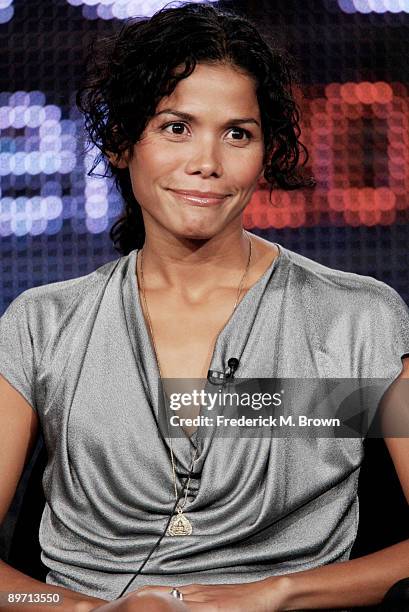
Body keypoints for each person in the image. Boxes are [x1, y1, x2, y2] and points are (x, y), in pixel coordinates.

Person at [0, 2, 409, 611]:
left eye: (237, 133)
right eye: (176, 127)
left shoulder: (355, 319)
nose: (207, 163)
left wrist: (275, 593)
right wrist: (80, 609)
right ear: (120, 140)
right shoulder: (44, 324)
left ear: (267, 153)